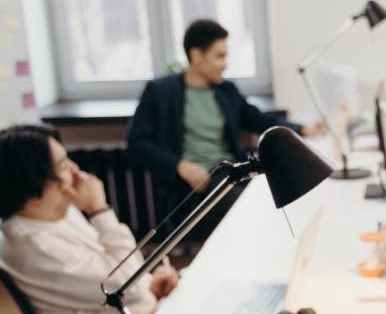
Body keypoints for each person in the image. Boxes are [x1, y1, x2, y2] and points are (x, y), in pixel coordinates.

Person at [0, 124, 177, 314]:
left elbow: (117, 277)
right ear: (31, 179)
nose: (75, 170)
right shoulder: (31, 245)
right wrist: (100, 211)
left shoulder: (61, 212)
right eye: (62, 165)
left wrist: (150, 284)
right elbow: (127, 287)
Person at [127, 18, 320, 234]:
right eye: (219, 56)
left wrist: (301, 130)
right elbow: (137, 143)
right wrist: (181, 166)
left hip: (232, 174)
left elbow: (259, 120)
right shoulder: (160, 92)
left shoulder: (226, 90)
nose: (226, 64)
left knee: (285, 192)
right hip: (194, 188)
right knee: (256, 211)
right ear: (196, 56)